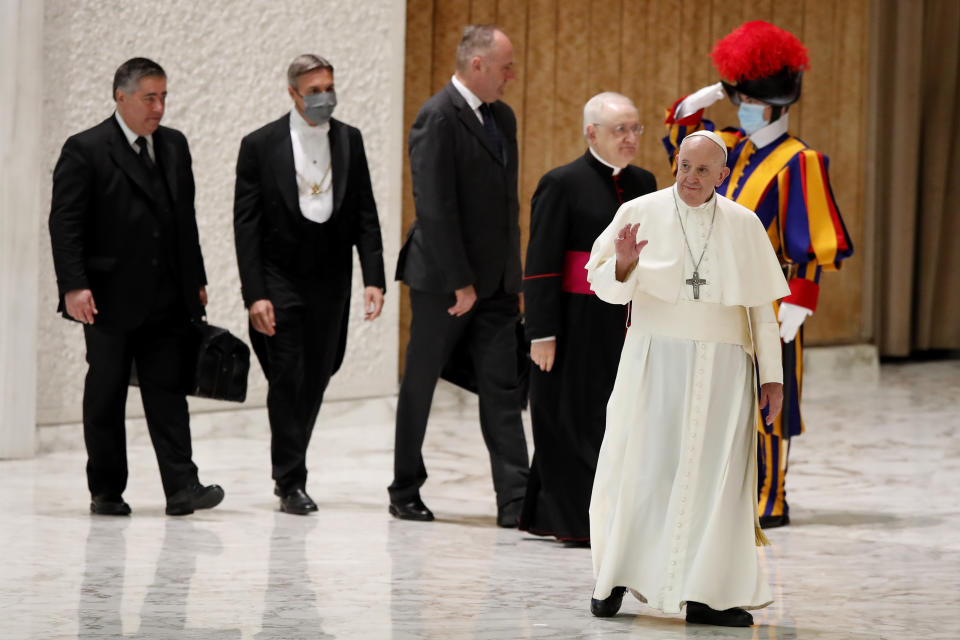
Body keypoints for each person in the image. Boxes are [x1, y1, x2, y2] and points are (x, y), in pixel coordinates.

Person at [586, 130, 789, 626]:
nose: (690, 178)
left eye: (703, 170)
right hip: (655, 359)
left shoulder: (743, 224)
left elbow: (762, 308)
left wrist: (773, 377)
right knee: (642, 465)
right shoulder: (640, 210)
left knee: (716, 480)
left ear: (722, 175)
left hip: (725, 368)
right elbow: (603, 284)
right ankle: (613, 579)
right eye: (683, 167)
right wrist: (626, 266)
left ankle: (708, 595)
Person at [663, 20, 853, 528]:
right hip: (716, 292)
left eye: (747, 98)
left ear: (774, 105)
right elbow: (679, 141)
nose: (740, 107)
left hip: (770, 298)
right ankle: (722, 483)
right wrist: (710, 94)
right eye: (737, 98)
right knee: (715, 390)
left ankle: (772, 493)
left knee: (773, 391)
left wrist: (801, 300)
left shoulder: (799, 160)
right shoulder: (727, 143)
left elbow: (811, 238)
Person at [49, 57, 223, 516]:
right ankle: (106, 490)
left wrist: (196, 279)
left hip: (167, 295)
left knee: (168, 390)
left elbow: (185, 220)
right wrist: (73, 285)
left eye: (164, 96)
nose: (159, 108)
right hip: (106, 297)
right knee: (106, 392)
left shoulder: (174, 146)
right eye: (150, 98)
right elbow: (65, 223)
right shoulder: (85, 149)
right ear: (120, 97)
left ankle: (182, 487)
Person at [234, 54, 386, 515]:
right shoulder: (260, 145)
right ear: (293, 94)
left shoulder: (349, 139)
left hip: (332, 280)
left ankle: (292, 464)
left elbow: (365, 212)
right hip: (280, 279)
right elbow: (246, 225)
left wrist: (373, 278)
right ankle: (290, 479)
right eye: (314, 90)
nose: (324, 97)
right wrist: (255, 293)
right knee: (288, 376)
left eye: (329, 87)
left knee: (320, 372)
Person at [391, 24, 529, 526]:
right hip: (441, 282)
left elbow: (507, 205)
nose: (512, 75)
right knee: (421, 383)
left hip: (494, 284)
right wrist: (460, 281)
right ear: (478, 66)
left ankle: (515, 499)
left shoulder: (503, 117)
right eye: (505, 66)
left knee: (502, 388)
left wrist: (512, 279)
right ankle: (404, 487)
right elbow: (434, 206)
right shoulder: (437, 117)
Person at [519, 92, 657, 545]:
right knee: (568, 418)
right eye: (621, 129)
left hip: (625, 322)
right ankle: (575, 521)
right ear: (590, 132)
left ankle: (582, 510)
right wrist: (541, 332)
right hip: (573, 322)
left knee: (614, 418)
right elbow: (540, 265)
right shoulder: (560, 183)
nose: (631, 138)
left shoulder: (644, 182)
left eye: (636, 128)